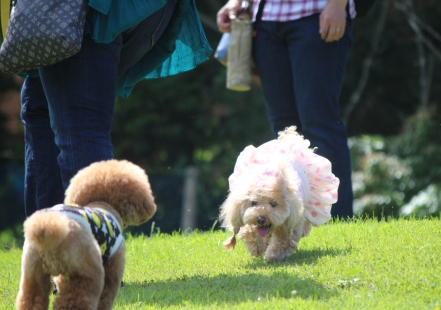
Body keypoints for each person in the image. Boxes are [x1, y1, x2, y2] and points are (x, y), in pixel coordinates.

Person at [19, 0, 211, 217]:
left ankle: (95, 242)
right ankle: (48, 239)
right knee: (41, 105)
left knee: (82, 125)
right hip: (151, 10)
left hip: (92, 10)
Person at [217, 0, 356, 219]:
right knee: (284, 130)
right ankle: (291, 221)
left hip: (317, 14)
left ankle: (337, 218)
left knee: (320, 123)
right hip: (266, 19)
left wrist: (338, 4)